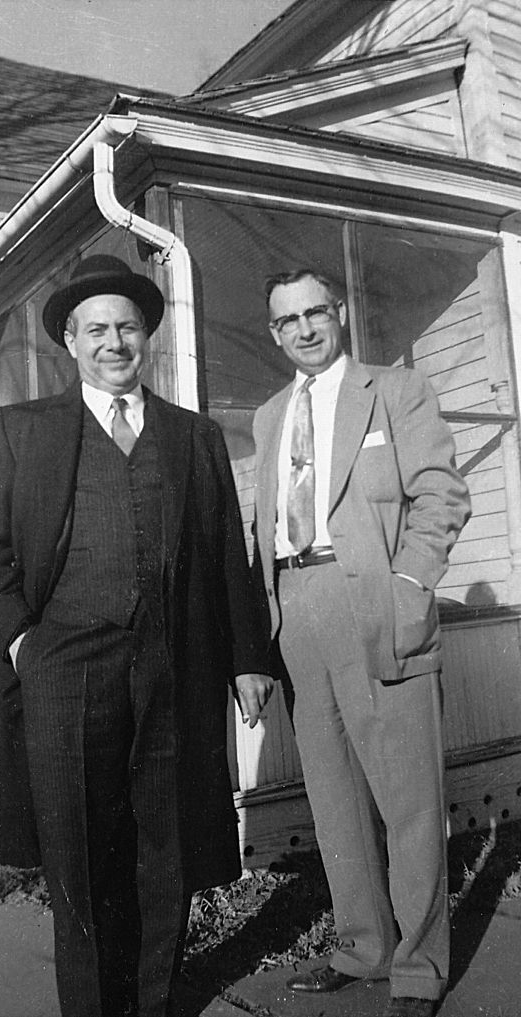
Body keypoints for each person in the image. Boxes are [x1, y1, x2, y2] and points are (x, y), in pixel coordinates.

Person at [0, 254, 273, 1017]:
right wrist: (22, 643)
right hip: (64, 669)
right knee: (80, 856)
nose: (114, 342)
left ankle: (158, 1002)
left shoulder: (193, 438)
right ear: (69, 340)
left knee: (163, 850)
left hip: (172, 668)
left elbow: (226, 553)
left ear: (148, 338)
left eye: (127, 327)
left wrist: (247, 660)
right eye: (96, 328)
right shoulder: (20, 430)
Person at [251, 268, 471, 1017]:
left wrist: (409, 587)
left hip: (375, 604)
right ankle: (363, 945)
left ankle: (418, 968)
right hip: (298, 610)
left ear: (338, 313)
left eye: (316, 311)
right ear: (273, 332)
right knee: (334, 799)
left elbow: (441, 493)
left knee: (408, 798)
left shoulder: (395, 390)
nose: (305, 328)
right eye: (289, 320)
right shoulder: (269, 415)